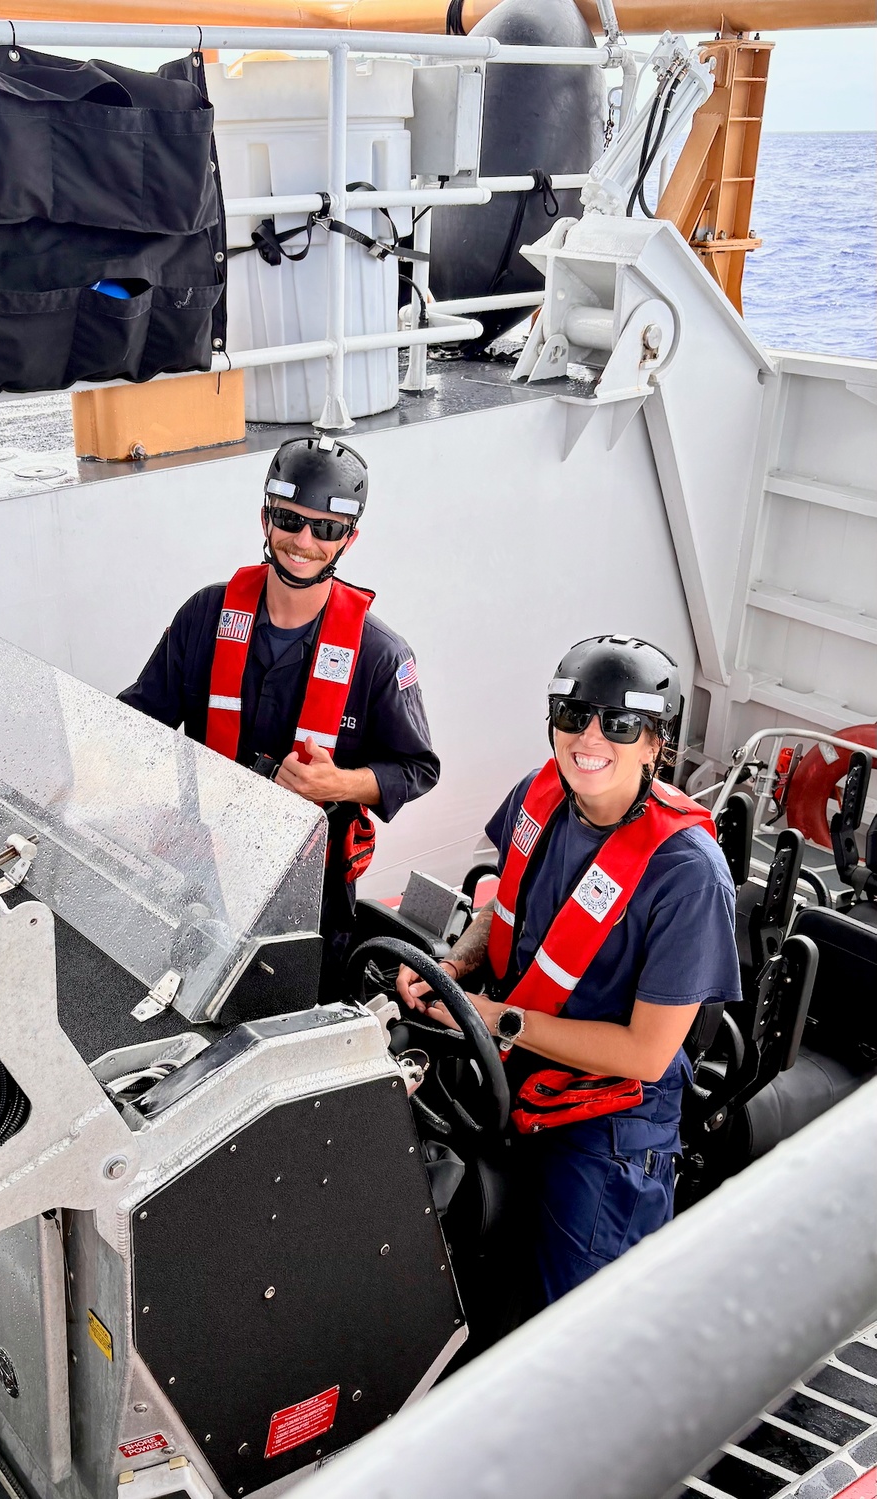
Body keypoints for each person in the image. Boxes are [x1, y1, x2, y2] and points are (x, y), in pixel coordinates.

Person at [396, 634, 741, 1306]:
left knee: (577, 1328)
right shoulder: (540, 794)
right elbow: (511, 903)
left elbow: (646, 1053)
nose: (591, 737)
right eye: (575, 716)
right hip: (510, 1075)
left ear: (654, 744)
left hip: (603, 1129)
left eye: (620, 723)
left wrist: (497, 1018)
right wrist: (457, 962)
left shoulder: (689, 874)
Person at [120, 434, 439, 987]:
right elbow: (134, 722)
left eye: (327, 528)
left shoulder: (380, 656)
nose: (304, 540)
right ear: (265, 517)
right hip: (195, 881)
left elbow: (416, 769)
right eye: (291, 520)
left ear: (349, 538)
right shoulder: (205, 615)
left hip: (309, 901)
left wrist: (336, 783)